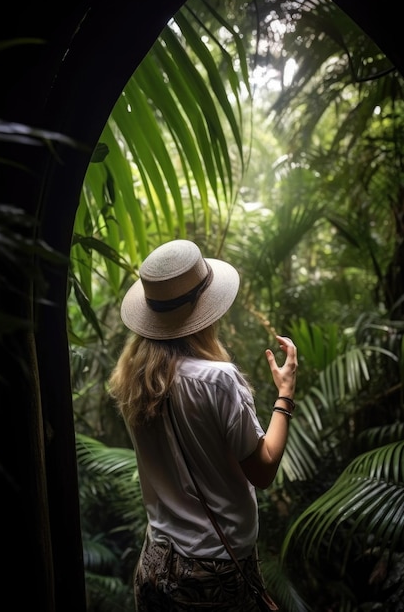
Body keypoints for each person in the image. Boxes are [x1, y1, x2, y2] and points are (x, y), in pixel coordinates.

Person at [108, 239, 298, 611]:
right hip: (212, 574)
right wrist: (285, 394)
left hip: (155, 562)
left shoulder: (131, 377)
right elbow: (263, 468)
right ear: (206, 310)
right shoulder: (217, 379)